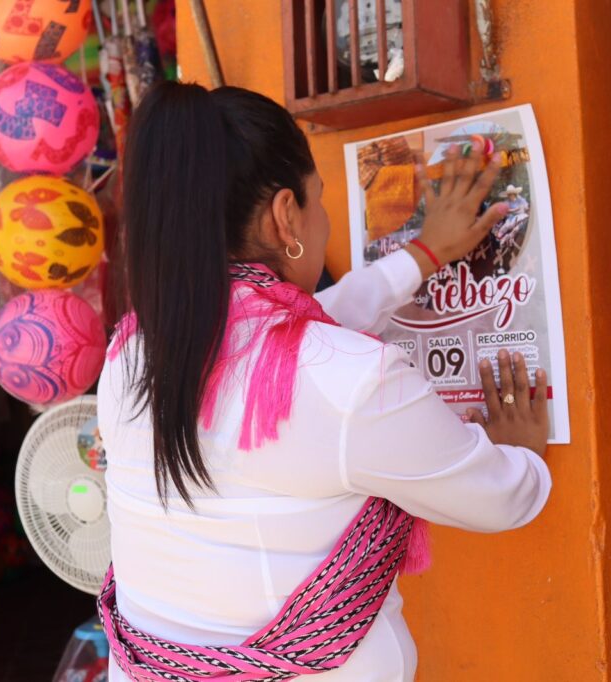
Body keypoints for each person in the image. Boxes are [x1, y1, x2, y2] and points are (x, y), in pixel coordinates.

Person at [97, 82, 552, 681]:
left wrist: (421, 256)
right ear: (286, 214)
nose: (325, 217)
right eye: (317, 198)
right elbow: (499, 498)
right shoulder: (352, 383)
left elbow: (280, 346)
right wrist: (521, 453)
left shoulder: (131, 354)